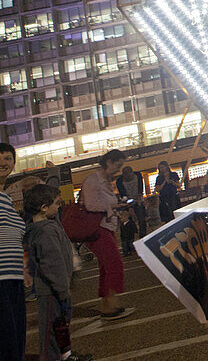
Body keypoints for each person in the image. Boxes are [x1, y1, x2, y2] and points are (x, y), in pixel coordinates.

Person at [23, 184, 93, 361]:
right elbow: (52, 264)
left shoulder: (47, 226)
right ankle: (51, 357)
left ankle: (65, 354)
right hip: (51, 291)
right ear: (44, 208)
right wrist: (63, 289)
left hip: (56, 288)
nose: (59, 206)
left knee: (61, 326)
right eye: (56, 203)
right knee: (51, 330)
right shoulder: (46, 231)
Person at [79, 150, 133, 320]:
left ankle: (107, 305)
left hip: (105, 227)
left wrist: (116, 207)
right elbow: (91, 205)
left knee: (106, 267)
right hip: (98, 229)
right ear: (109, 162)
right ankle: (111, 304)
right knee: (114, 265)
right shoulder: (93, 180)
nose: (118, 170)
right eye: (117, 165)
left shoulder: (104, 181)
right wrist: (113, 208)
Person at [1, 142, 27, 361]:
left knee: (17, 338)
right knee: (7, 339)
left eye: (8, 158)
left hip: (14, 277)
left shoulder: (6, 198)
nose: (3, 162)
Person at [115, 166, 146, 243]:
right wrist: (128, 205)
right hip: (127, 202)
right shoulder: (119, 181)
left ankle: (143, 236)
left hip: (138, 200)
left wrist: (139, 198)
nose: (128, 177)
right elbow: (123, 195)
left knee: (141, 218)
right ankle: (131, 239)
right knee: (129, 221)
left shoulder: (138, 176)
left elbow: (140, 189)